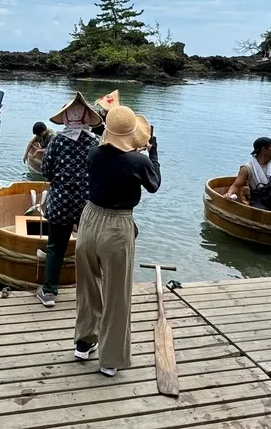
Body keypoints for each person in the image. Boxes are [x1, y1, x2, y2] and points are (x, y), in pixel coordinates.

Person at [74, 105, 160, 377]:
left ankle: (84, 342)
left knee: (88, 286)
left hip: (89, 220)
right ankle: (110, 360)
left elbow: (110, 150)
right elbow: (154, 184)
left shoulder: (93, 153)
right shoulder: (139, 162)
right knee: (117, 294)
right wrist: (153, 150)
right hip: (117, 225)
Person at [35, 92, 103, 307]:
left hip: (61, 202)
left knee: (55, 247)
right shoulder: (97, 142)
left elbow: (46, 170)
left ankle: (49, 292)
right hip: (88, 204)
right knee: (89, 247)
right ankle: (91, 292)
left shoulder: (57, 142)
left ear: (66, 118)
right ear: (85, 118)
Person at [224, 137, 271, 215]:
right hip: (259, 201)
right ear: (264, 150)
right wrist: (229, 193)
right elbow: (236, 185)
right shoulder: (247, 168)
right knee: (263, 214)